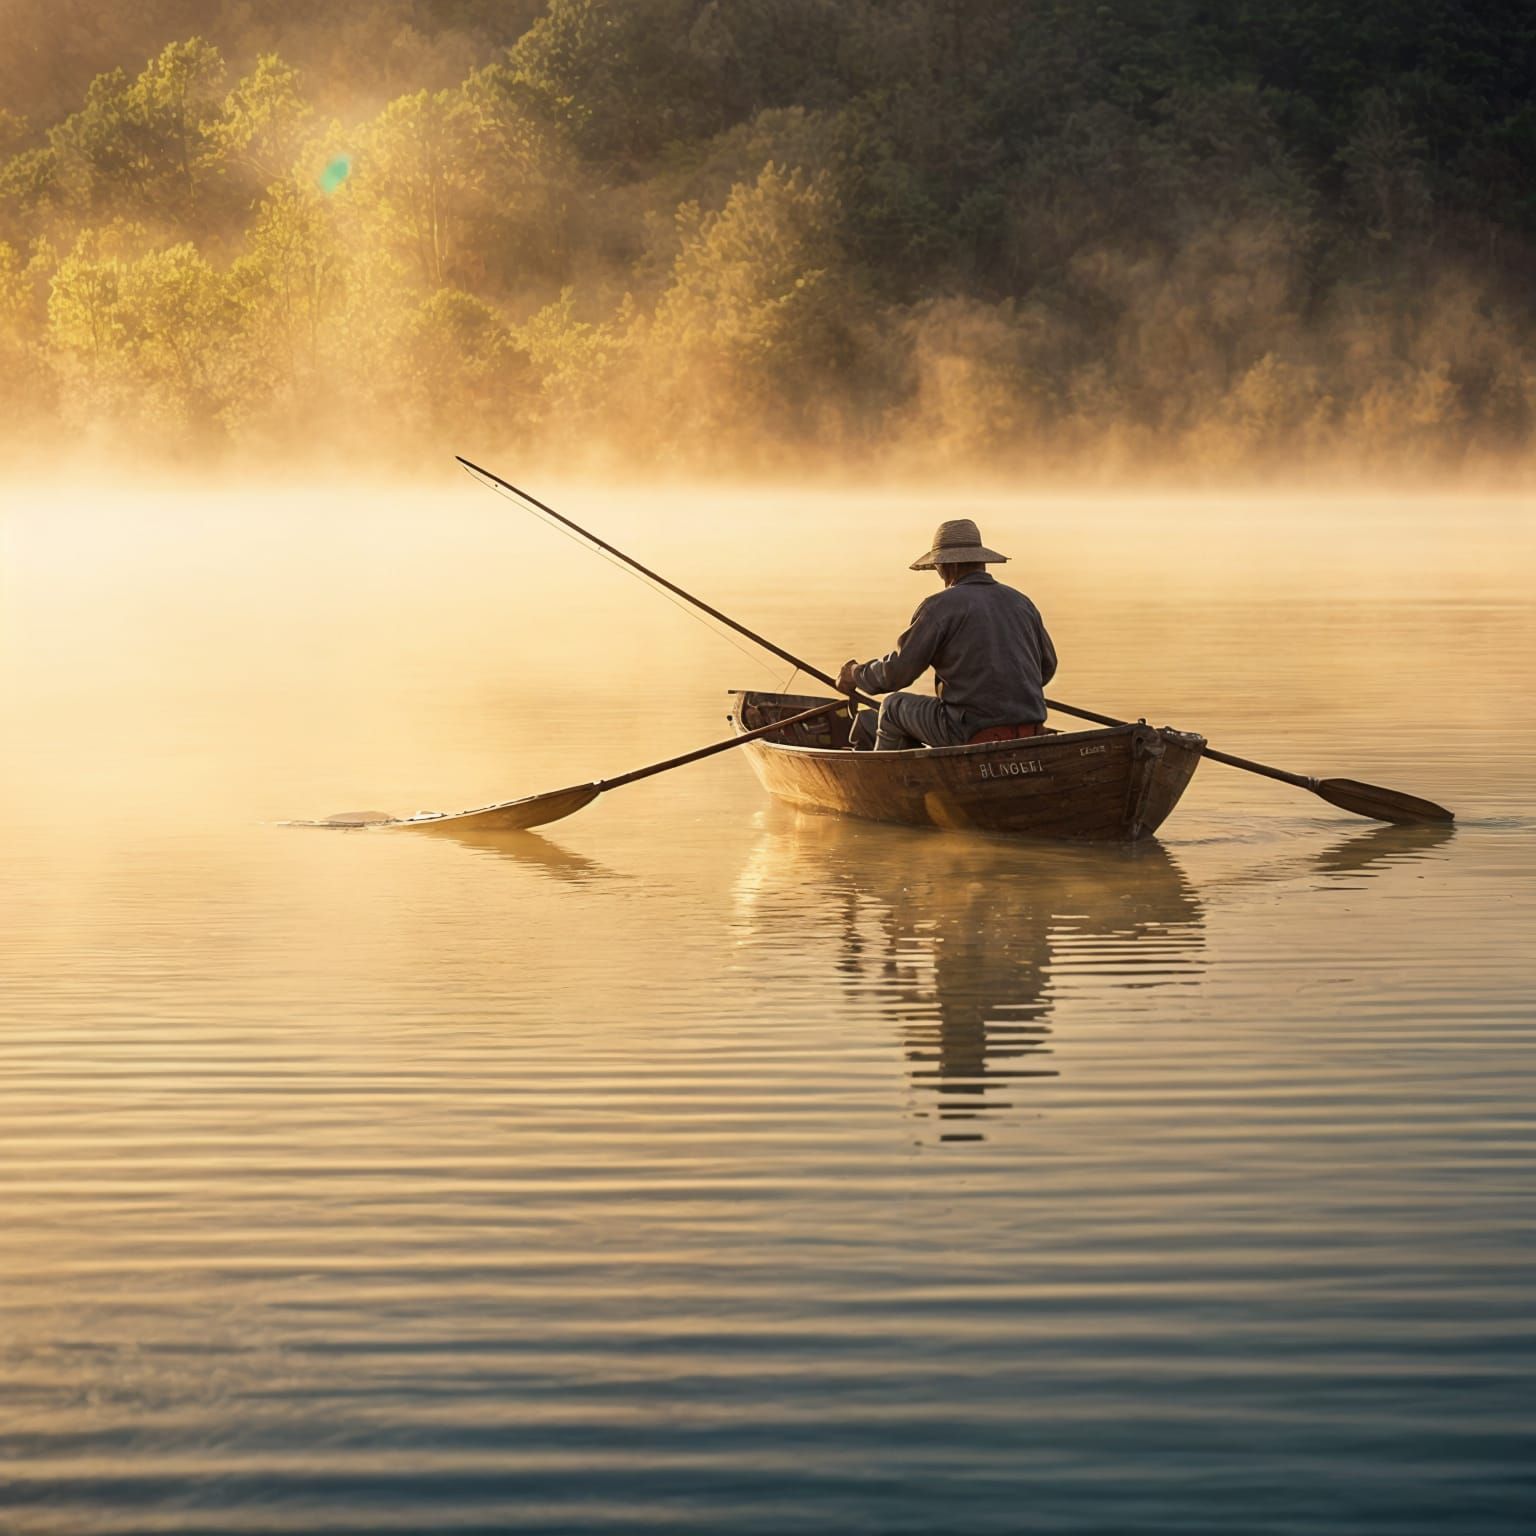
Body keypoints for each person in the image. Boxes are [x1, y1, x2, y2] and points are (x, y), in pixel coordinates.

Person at [835, 518, 1056, 751]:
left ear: (947, 566)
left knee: (891, 706)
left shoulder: (939, 607)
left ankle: (882, 781)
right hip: (1031, 728)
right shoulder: (1021, 602)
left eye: (938, 568)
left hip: (969, 730)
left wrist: (856, 674)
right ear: (981, 562)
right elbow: (1047, 667)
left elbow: (897, 673)